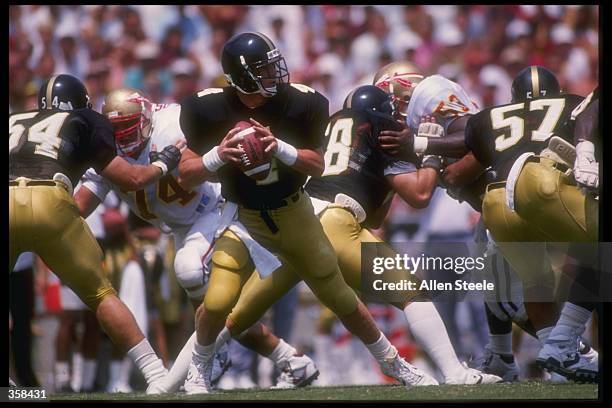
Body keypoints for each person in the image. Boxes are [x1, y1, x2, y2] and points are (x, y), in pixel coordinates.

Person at [178, 32, 438, 394]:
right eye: (263, 69)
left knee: (341, 297)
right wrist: (219, 155)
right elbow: (187, 174)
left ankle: (395, 363)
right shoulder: (205, 108)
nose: (274, 73)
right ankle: (198, 369)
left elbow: (316, 165)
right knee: (219, 299)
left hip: (295, 213)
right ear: (240, 75)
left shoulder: (302, 103)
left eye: (272, 64)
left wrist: (278, 147)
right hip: (244, 218)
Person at [221, 84, 503, 385]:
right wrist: (430, 152)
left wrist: (381, 185)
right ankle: (454, 372)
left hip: (298, 227)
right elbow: (419, 195)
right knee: (412, 293)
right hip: (335, 222)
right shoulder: (381, 129)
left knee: (228, 317)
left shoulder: (326, 131)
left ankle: (177, 380)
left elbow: (375, 215)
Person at [74, 87, 318, 393]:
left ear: (147, 117)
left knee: (189, 270)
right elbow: (79, 206)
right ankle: (290, 360)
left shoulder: (172, 124)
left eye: (128, 128)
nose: (122, 137)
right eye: (116, 131)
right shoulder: (104, 149)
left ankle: (212, 353)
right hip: (179, 226)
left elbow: (225, 142)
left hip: (211, 211)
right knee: (218, 311)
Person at [9, 74, 181, 393]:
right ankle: (156, 374)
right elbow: (131, 178)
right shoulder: (85, 119)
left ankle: (13, 391)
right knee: (101, 294)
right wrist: (163, 164)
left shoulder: (14, 118)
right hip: (51, 198)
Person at [461, 66, 598, 382]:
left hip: (497, 203)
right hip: (548, 189)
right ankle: (565, 347)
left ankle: (554, 360)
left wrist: (427, 152)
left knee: (529, 283)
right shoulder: (575, 104)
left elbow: (458, 170)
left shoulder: (490, 117)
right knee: (596, 256)